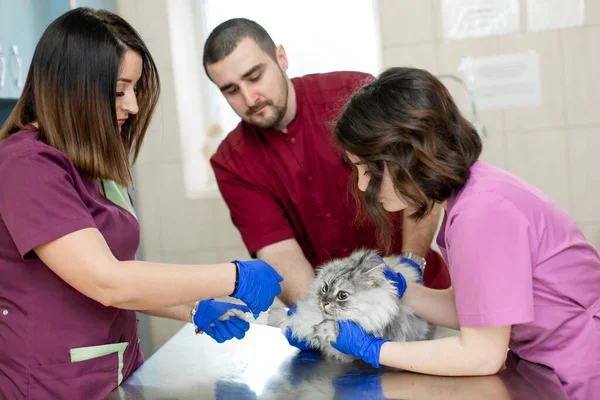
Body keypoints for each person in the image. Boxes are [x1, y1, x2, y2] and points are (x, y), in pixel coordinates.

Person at [0, 9, 283, 399]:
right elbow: (106, 281)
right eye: (119, 90)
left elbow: (123, 272)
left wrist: (194, 307)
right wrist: (233, 276)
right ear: (73, 87)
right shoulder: (26, 167)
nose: (132, 105)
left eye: (134, 89)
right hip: (52, 386)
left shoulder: (93, 165)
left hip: (117, 373)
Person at [329, 67, 600, 400]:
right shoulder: (471, 196)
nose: (362, 184)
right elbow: (476, 312)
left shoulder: (481, 213)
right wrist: (397, 289)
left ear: (406, 154)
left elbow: (481, 354)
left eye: (368, 169)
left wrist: (374, 349)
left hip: (582, 370)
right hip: (554, 364)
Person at [202, 18, 451, 311]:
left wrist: (410, 266)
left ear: (281, 57)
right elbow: (280, 254)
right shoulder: (233, 162)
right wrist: (327, 317)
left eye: (255, 77)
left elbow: (419, 183)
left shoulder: (352, 95)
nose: (249, 98)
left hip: (420, 293)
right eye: (231, 91)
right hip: (336, 309)